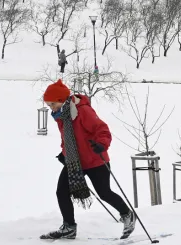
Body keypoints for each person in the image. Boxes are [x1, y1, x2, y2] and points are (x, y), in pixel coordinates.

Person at [40, 79, 135, 240]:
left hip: (95, 159)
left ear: (61, 100)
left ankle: (127, 215)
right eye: (49, 105)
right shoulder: (63, 116)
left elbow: (102, 129)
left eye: (52, 104)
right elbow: (69, 139)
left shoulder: (82, 111)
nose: (51, 108)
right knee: (62, 192)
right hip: (76, 161)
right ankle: (69, 227)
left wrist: (101, 144)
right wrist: (65, 154)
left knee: (104, 193)